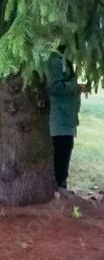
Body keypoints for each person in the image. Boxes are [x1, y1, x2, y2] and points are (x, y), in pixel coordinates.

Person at [47, 51, 82, 190]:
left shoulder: (64, 59)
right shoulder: (55, 60)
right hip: (59, 122)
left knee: (63, 160)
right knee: (59, 161)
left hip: (67, 119)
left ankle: (60, 188)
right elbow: (54, 87)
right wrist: (76, 88)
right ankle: (58, 190)